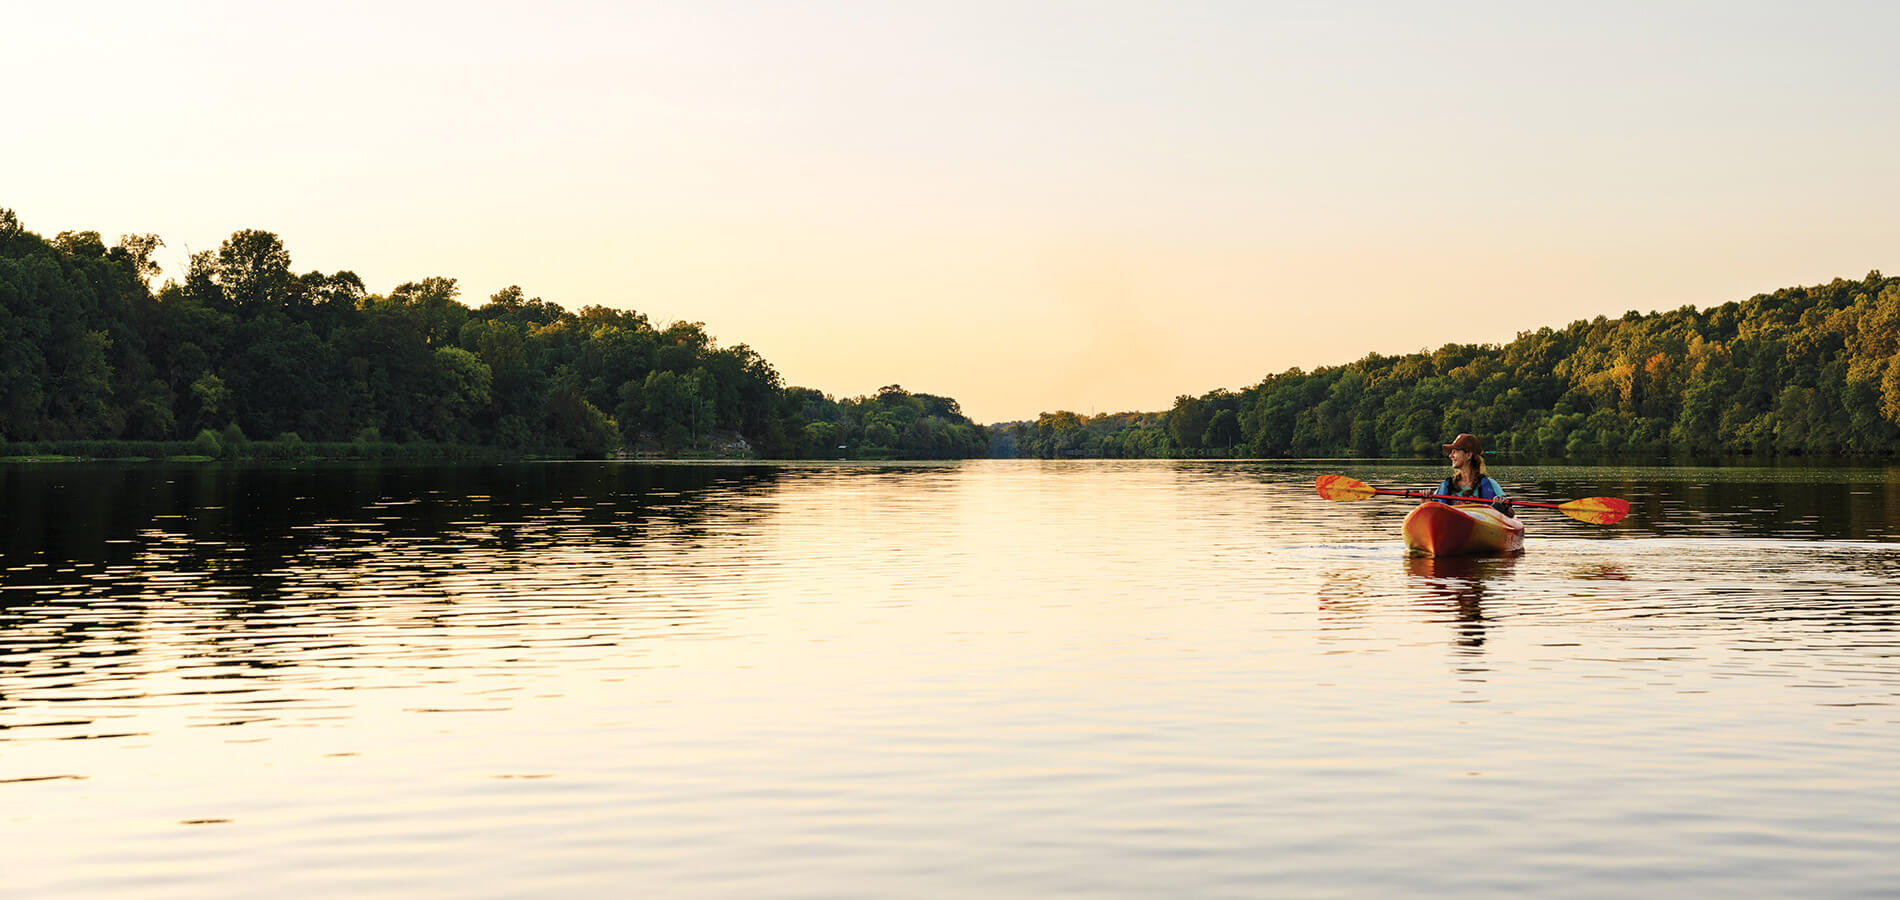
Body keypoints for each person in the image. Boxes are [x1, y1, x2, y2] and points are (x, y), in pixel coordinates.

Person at [1435, 433, 1513, 516]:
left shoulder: (1490, 484)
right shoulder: (1447, 485)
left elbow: (1511, 514)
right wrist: (1426, 502)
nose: (1450, 456)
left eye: (1455, 451)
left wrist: (1500, 507)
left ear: (1468, 455)